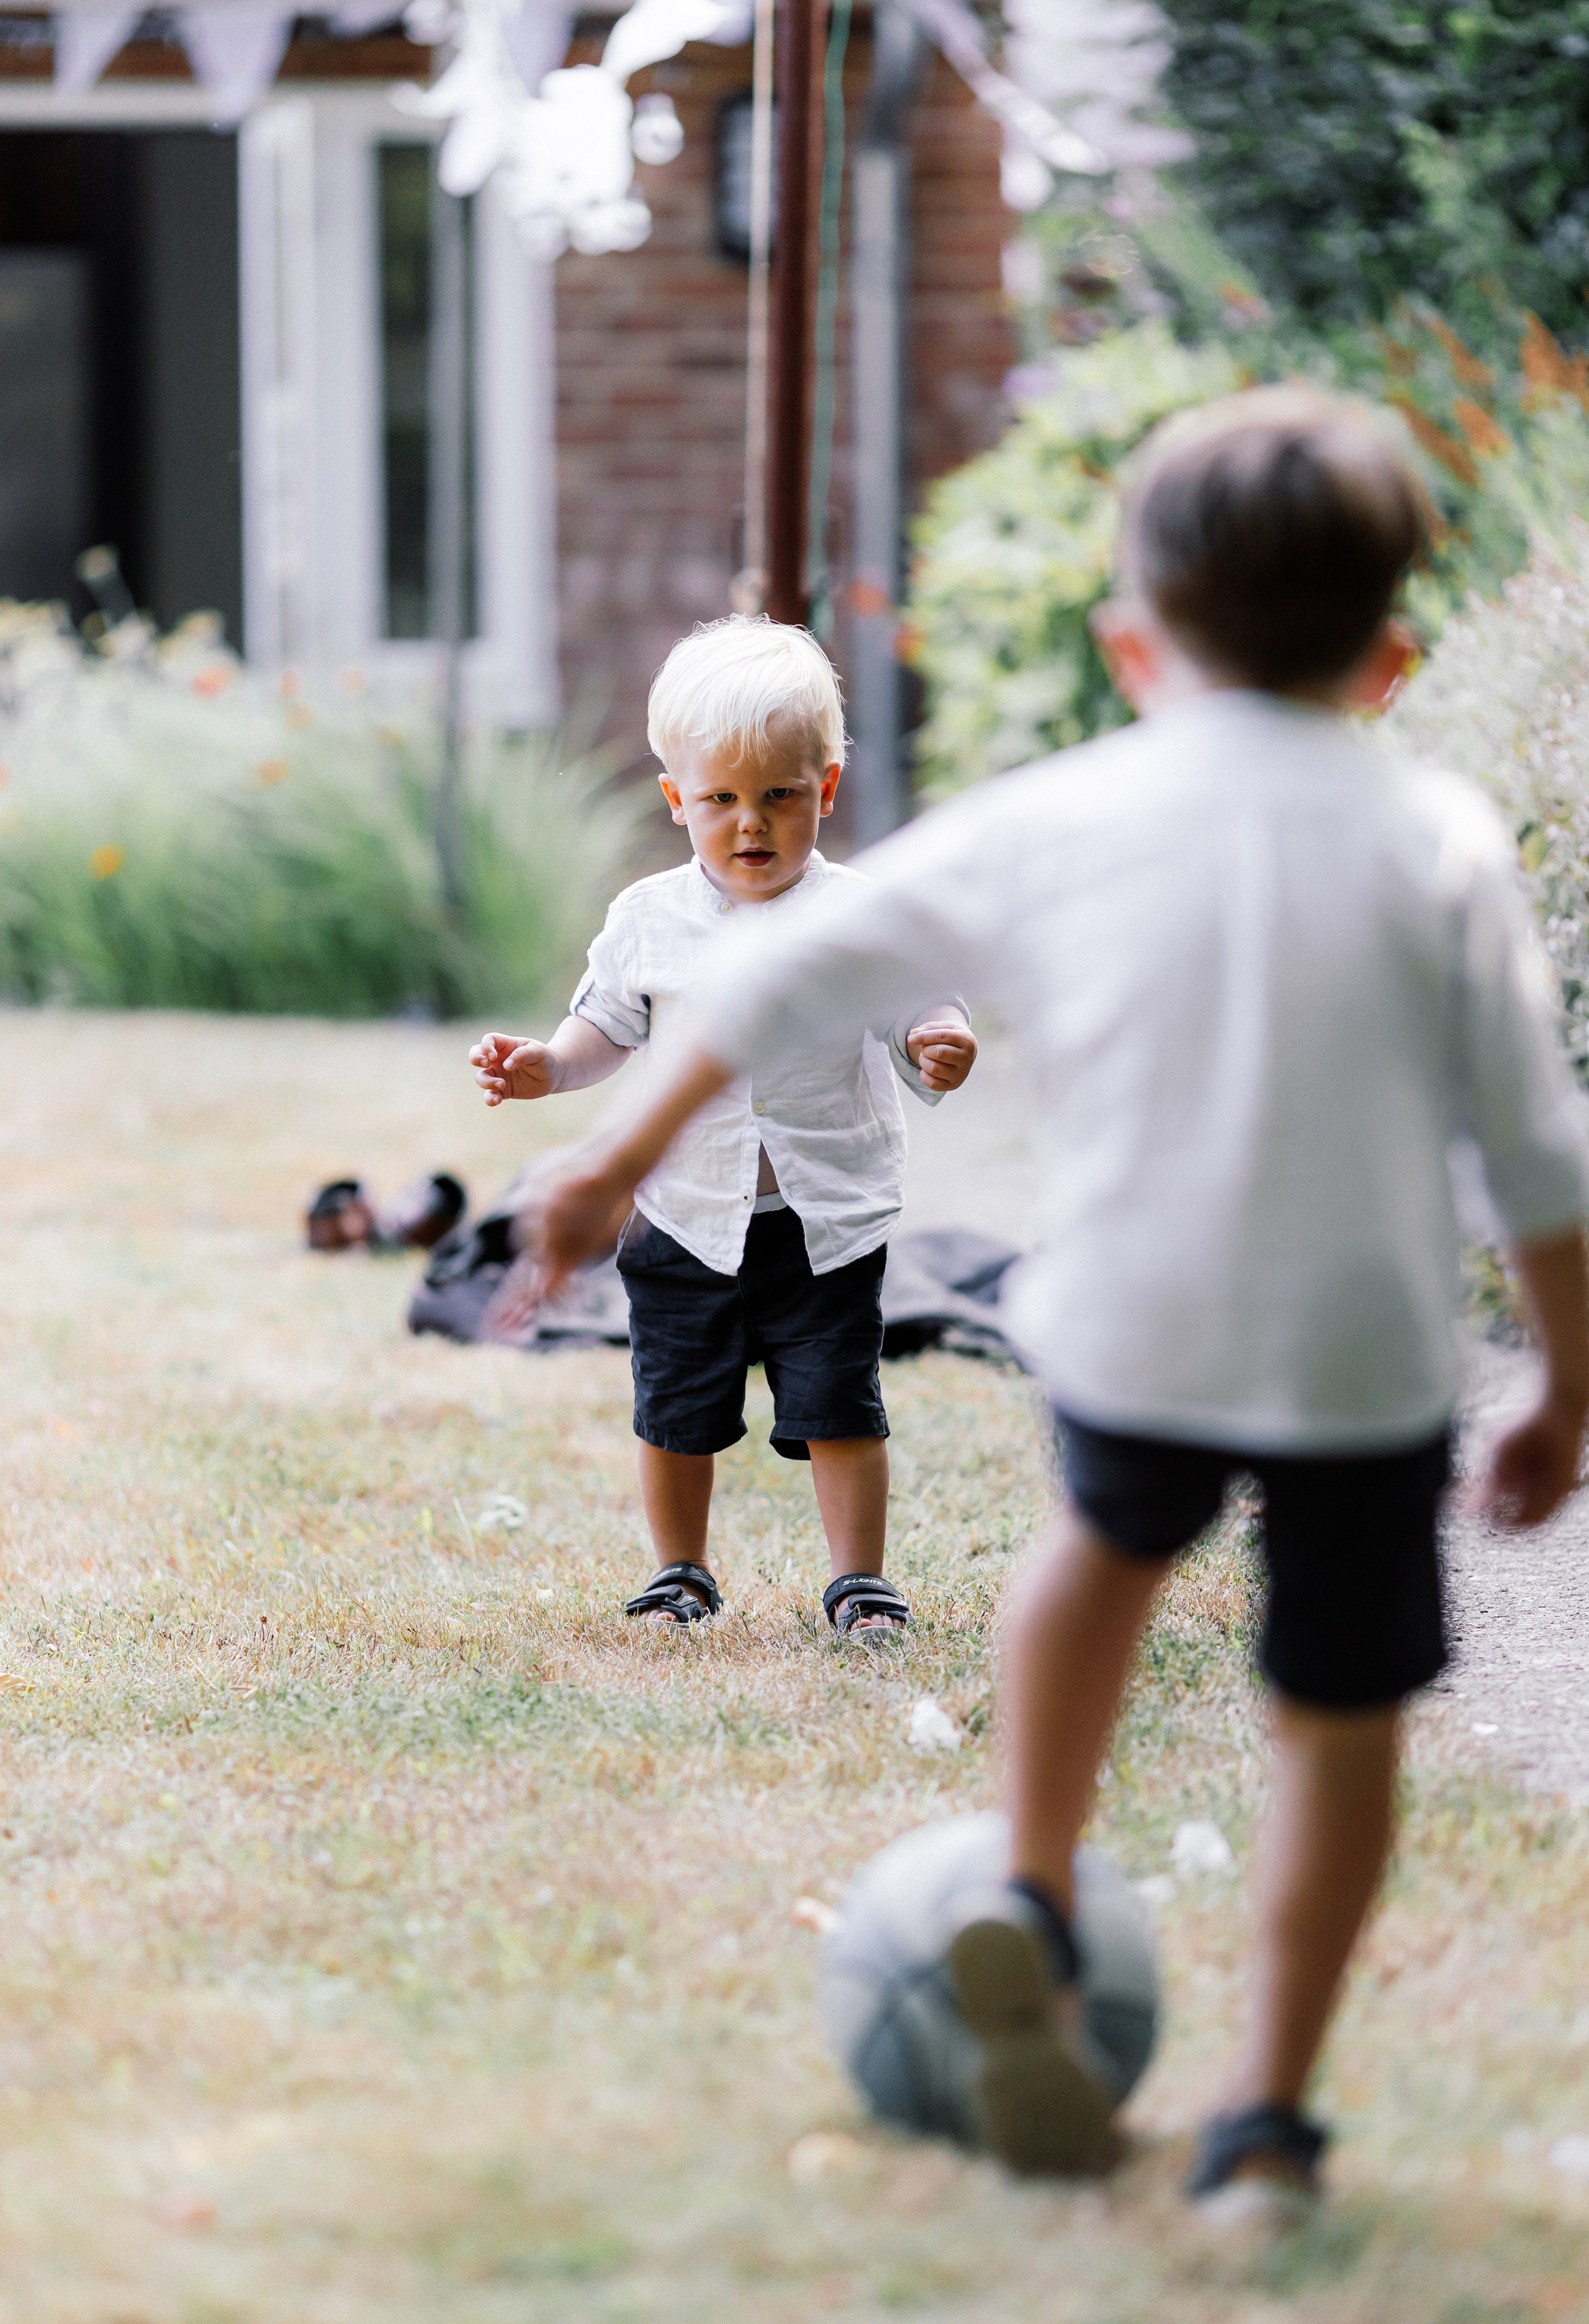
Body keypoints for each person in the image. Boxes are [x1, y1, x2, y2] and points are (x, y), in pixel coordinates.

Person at [521, 390, 1589, 2204]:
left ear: (1129, 644)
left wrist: (618, 1160)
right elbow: (1537, 1159)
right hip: (1362, 1356)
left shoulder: (1071, 814)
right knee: (1339, 1717)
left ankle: (1028, 1875)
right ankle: (1264, 2116)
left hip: (1135, 1322)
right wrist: (1563, 1388)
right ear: (1394, 661)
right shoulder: (1440, 852)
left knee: (1093, 1561)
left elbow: (794, 977)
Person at [469, 616, 976, 1635]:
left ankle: (858, 1579)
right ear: (677, 800)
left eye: (781, 797)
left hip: (820, 1219)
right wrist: (545, 1068)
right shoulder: (649, 918)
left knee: (839, 1402)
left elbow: (922, 999)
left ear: (826, 788)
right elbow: (603, 1028)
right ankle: (680, 1570)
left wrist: (939, 1035)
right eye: (723, 800)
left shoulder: (858, 917)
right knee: (676, 1407)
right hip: (684, 1217)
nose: (752, 823)